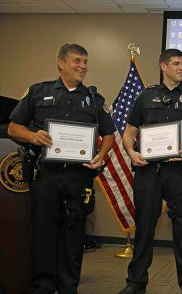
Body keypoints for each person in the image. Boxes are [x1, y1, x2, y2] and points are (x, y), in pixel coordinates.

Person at [8, 43, 116, 294]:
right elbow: (14, 128)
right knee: (43, 233)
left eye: (85, 62)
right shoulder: (37, 92)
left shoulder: (94, 99)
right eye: (77, 61)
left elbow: (109, 134)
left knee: (73, 235)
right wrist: (33, 137)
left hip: (78, 178)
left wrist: (101, 155)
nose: (83, 67)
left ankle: (69, 287)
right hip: (45, 175)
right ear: (61, 62)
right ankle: (43, 287)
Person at [119, 49, 182, 294]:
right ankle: (135, 284)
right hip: (149, 172)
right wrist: (131, 153)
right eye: (176, 63)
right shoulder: (145, 96)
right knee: (144, 229)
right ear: (163, 66)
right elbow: (129, 133)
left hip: (180, 172)